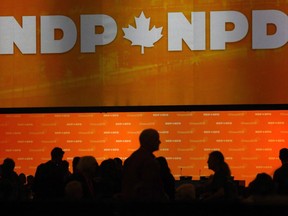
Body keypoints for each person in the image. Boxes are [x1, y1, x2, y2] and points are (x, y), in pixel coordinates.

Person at [121, 128, 168, 202]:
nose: (159, 142)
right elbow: (151, 187)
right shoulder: (148, 160)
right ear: (149, 141)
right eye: (157, 139)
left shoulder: (133, 158)